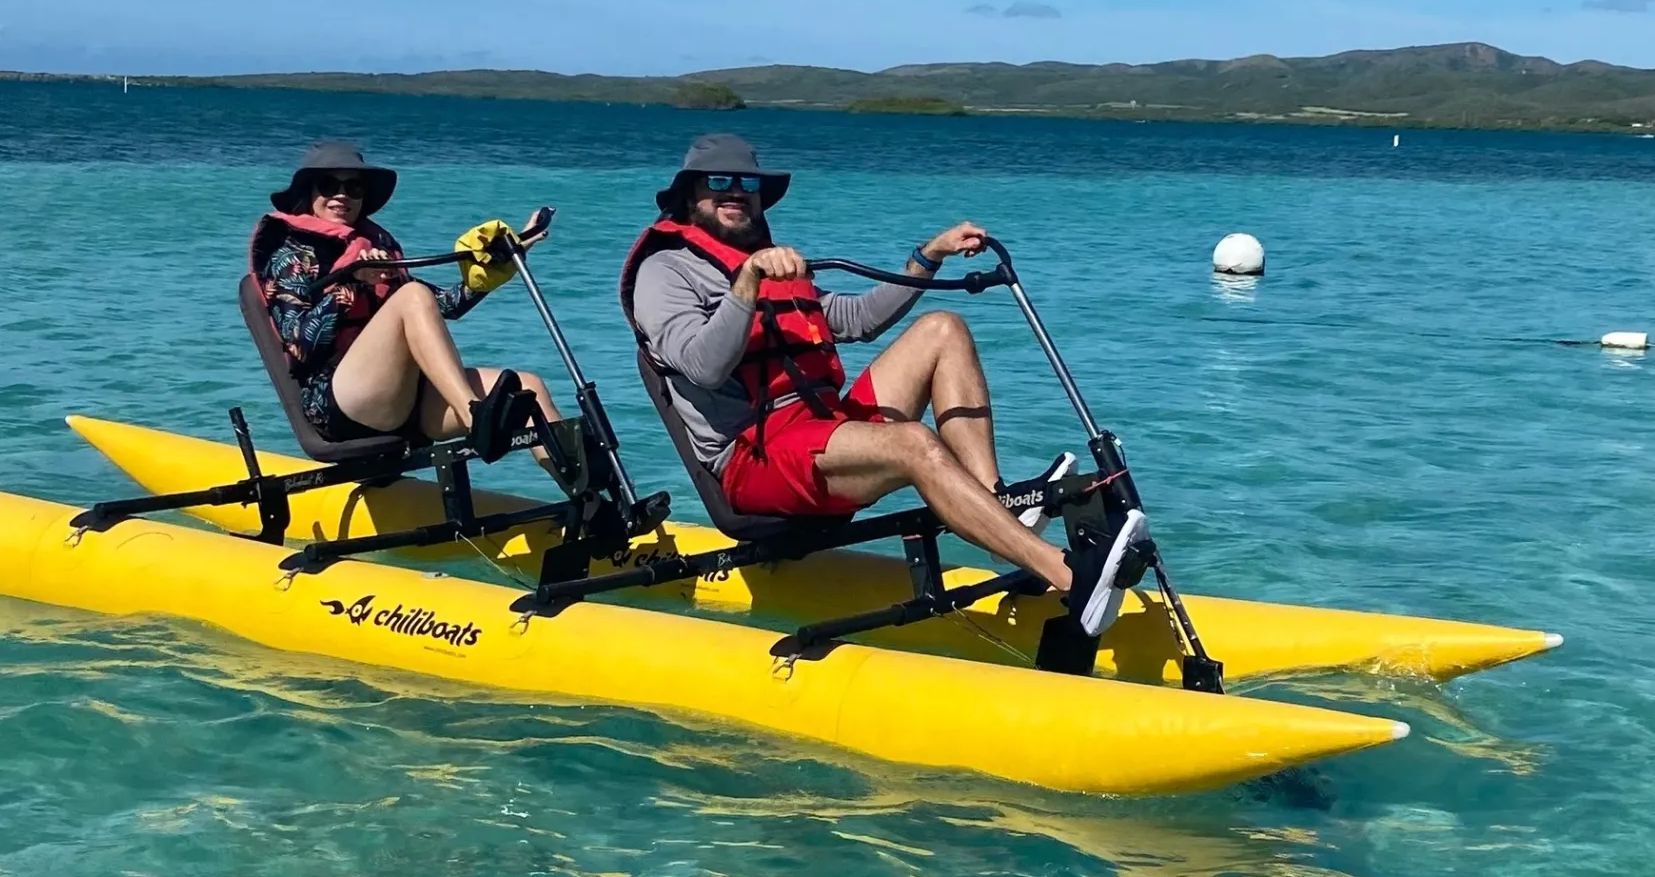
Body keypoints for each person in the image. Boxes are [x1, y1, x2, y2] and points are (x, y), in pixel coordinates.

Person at [621, 133, 1147, 636]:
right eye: (718, 181)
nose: (735, 192)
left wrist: (929, 256)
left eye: (748, 183)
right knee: (915, 443)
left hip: (821, 431)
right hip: (754, 460)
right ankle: (1067, 576)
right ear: (690, 193)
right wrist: (747, 285)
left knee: (943, 328)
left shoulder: (768, 263)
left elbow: (856, 319)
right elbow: (703, 367)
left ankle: (995, 507)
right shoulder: (665, 272)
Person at [251, 140, 565, 447]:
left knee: (530, 389)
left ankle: (586, 478)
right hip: (340, 404)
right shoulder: (290, 256)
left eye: (353, 187)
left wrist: (503, 262)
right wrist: (354, 283)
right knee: (413, 294)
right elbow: (300, 345)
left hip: (405, 397)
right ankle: (474, 419)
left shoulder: (375, 248)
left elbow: (444, 306)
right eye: (329, 185)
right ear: (309, 192)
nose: (341, 195)